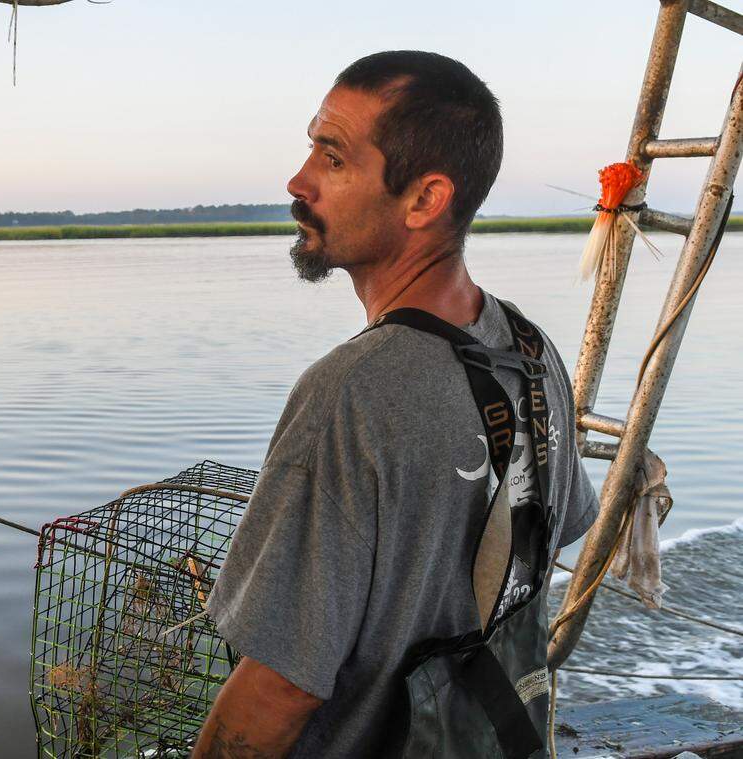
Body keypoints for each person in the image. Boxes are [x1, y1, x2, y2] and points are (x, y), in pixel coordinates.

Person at [193, 51, 598, 758]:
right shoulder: (534, 351)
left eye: (334, 157)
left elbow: (282, 688)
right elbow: (552, 536)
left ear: (423, 200)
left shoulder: (350, 393)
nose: (298, 181)